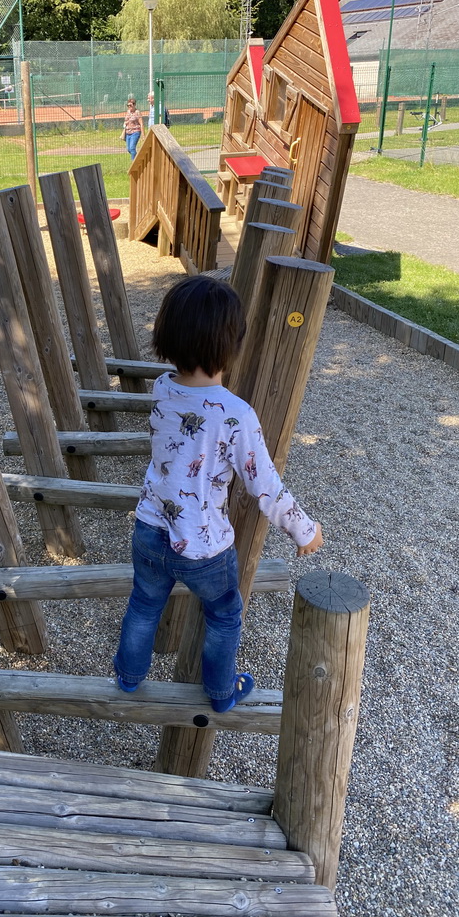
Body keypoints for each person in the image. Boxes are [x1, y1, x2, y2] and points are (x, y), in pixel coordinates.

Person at [113, 275, 323, 712]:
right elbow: (263, 484)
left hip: (151, 529)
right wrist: (303, 530)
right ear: (232, 343)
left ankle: (129, 676)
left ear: (167, 335)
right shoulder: (235, 414)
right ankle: (222, 691)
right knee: (224, 616)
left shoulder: (162, 389)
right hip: (204, 545)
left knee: (144, 603)